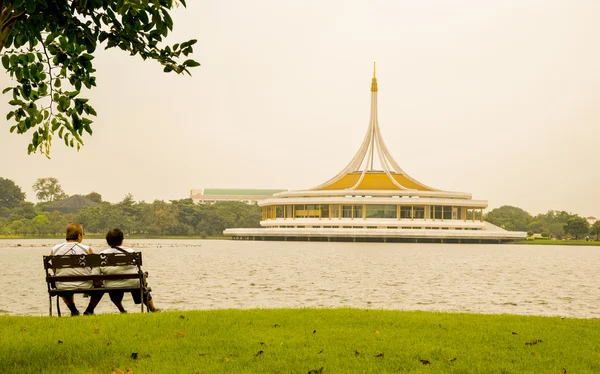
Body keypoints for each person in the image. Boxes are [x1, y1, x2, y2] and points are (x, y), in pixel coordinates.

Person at [98, 228, 158, 313]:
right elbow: (136, 268)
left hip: (112, 284)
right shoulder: (130, 251)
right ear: (122, 240)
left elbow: (98, 271)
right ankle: (153, 309)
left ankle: (122, 310)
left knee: (114, 288)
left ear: (108, 241)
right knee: (139, 285)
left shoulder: (102, 254)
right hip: (133, 282)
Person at [50, 223, 103, 316]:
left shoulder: (55, 249)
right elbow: (94, 268)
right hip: (85, 284)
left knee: (63, 283)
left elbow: (54, 270)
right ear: (79, 236)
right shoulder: (87, 249)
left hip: (63, 285)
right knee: (101, 285)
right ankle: (89, 310)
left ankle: (74, 311)